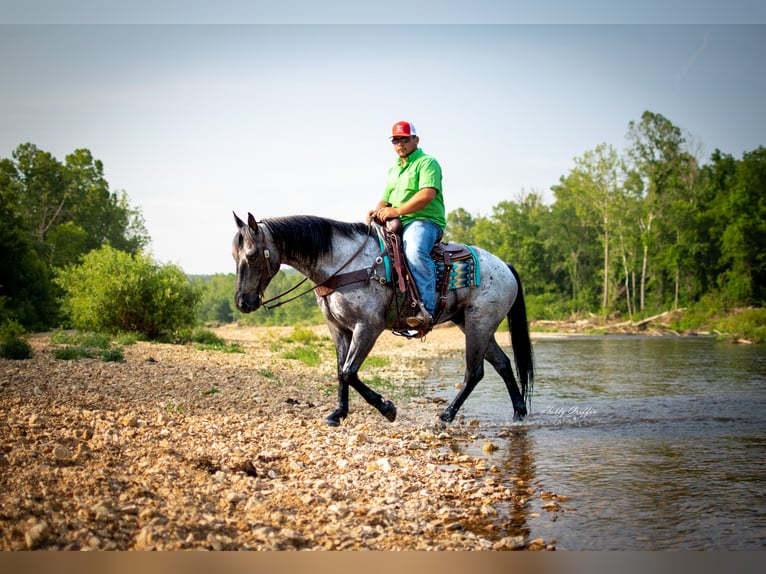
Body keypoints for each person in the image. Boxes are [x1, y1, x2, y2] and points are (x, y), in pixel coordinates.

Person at [368, 120, 446, 330]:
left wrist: (397, 211)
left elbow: (427, 194)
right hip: (397, 222)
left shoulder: (427, 163)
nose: (400, 144)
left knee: (414, 251)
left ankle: (426, 311)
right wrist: (377, 211)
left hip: (423, 221)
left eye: (404, 139)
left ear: (415, 139)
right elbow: (386, 198)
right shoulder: (394, 169)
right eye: (395, 140)